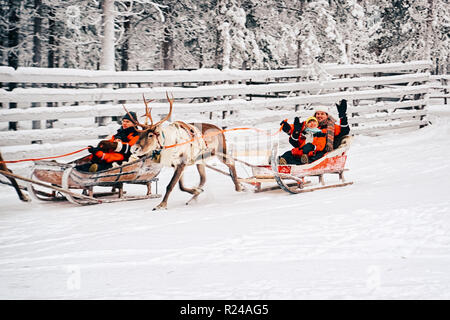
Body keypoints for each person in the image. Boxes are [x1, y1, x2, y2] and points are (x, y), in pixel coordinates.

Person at [279, 99, 350, 164]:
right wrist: (287, 127)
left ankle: (303, 162)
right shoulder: (309, 124)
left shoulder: (332, 127)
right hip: (304, 149)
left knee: (317, 157)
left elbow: (344, 131)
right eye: (317, 114)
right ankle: (282, 160)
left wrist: (343, 117)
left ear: (327, 115)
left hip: (318, 151)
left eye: (322, 114)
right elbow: (296, 128)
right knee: (290, 153)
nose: (319, 116)